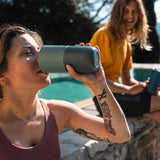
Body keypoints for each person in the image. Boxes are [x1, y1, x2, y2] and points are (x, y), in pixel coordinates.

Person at [0, 24, 130, 160]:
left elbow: (120, 135)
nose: (42, 58)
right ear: (2, 75)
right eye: (28, 53)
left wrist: (99, 84)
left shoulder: (58, 113)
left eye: (40, 51)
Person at [89, 0, 160, 123]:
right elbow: (95, 78)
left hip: (120, 96)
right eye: (126, 11)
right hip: (104, 100)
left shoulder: (125, 43)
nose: (130, 16)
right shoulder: (103, 35)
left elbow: (127, 80)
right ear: (118, 13)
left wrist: (143, 86)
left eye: (134, 12)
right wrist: (127, 90)